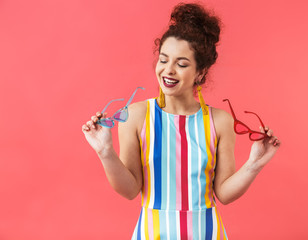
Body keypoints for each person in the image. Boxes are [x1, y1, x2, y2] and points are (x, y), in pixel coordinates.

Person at [82, 3, 281, 239]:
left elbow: (224, 194)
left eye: (182, 64)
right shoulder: (136, 115)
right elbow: (130, 189)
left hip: (206, 233)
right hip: (152, 233)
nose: (168, 70)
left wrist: (254, 164)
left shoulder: (219, 121)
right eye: (163, 60)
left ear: (200, 72)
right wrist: (106, 152)